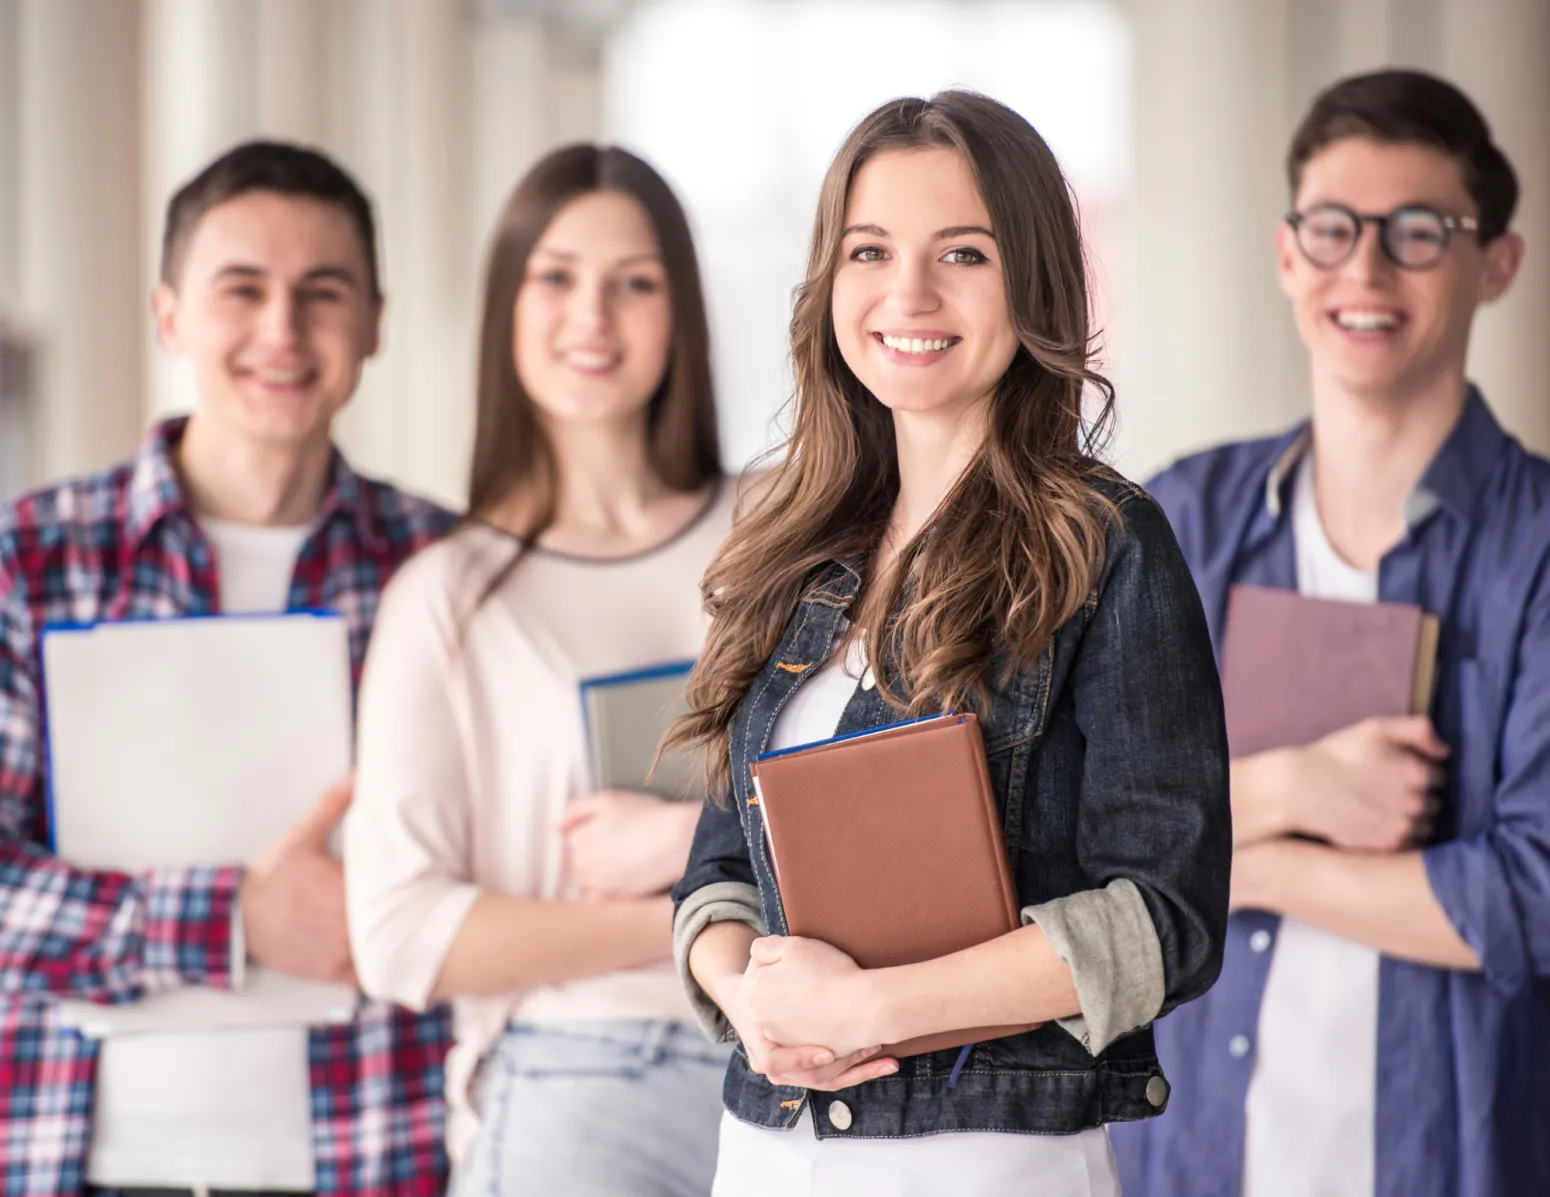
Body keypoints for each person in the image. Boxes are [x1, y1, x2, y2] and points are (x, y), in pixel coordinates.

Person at [665, 90, 1232, 1197]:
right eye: (868, 250)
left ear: (1030, 279)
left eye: (960, 253)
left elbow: (1163, 918)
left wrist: (866, 1010)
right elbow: (720, 870)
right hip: (769, 1149)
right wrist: (748, 1000)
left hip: (989, 1155)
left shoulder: (1102, 543)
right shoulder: (793, 549)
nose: (907, 294)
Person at [1109, 68, 1549, 1197]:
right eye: (1331, 228)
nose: (1362, 268)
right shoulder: (1177, 522)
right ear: (1285, 254)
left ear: (1492, 262)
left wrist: (1239, 869)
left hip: (1445, 1155)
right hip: (1189, 1153)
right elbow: (1075, 826)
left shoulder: (1537, 546)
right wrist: (1288, 791)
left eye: (1415, 232)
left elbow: (1529, 895)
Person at [0, 142, 456, 1197]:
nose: (281, 332)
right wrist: (231, 921)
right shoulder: (31, 560)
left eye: (322, 292)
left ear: (374, 322)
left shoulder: (447, 571)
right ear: (170, 316)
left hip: (378, 1157)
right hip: (76, 1161)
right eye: (240, 290)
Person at [344, 144, 736, 1195]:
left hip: (806, 1063)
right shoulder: (448, 596)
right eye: (555, 276)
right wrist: (698, 920)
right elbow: (399, 936)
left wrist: (686, 855)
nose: (591, 317)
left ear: (682, 312)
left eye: (634, 283)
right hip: (584, 1077)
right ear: (506, 305)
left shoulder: (779, 533)